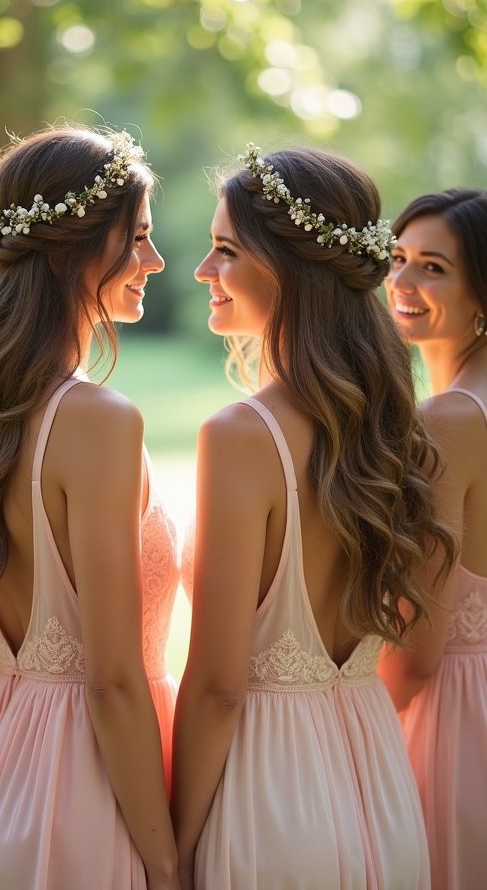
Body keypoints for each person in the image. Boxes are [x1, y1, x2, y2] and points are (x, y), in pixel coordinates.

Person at [171, 143, 458, 890]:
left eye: (225, 250)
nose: (203, 272)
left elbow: (218, 686)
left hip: (269, 801)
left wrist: (169, 842)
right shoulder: (403, 429)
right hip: (379, 788)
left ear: (288, 266)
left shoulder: (240, 437)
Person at [0, 125, 181, 889]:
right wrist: (165, 862)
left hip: (1, 760)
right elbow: (111, 677)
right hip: (87, 786)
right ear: (78, 250)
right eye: (136, 239)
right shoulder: (96, 421)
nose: (154, 263)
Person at [378, 188, 487, 890]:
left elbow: (417, 651)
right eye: (397, 259)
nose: (403, 284)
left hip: (453, 719)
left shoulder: (450, 419)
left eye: (433, 268)